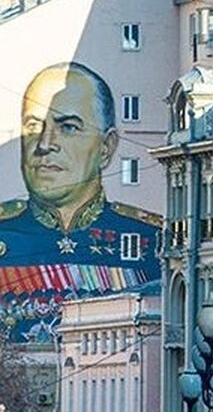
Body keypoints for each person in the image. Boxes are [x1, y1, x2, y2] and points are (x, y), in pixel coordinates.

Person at [0, 63, 159, 343]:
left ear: (106, 147)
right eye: (33, 126)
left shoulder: (149, 239)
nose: (45, 143)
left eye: (68, 127)